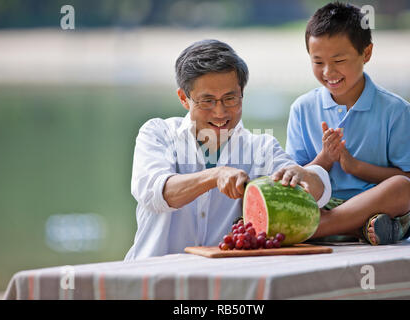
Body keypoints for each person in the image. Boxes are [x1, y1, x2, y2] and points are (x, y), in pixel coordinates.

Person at [125, 39, 331, 259]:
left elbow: (317, 193)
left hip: (226, 278)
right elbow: (156, 193)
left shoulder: (261, 147)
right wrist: (216, 175)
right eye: (207, 101)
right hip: (153, 277)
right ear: (184, 99)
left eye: (230, 98)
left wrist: (304, 175)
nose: (220, 112)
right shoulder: (157, 133)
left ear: (242, 94)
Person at [286, 2, 410, 245]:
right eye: (318, 62)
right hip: (323, 203)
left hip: (376, 205)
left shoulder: (396, 110)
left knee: (402, 188)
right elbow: (296, 176)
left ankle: (321, 227)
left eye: (339, 60)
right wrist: (325, 160)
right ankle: (358, 229)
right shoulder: (302, 108)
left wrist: (355, 167)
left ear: (366, 53)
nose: (328, 72)